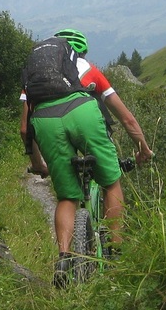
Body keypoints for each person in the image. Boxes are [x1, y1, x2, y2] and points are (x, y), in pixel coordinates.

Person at [19, 28, 153, 287]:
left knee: (68, 197)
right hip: (82, 112)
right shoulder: (88, 68)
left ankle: (63, 259)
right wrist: (143, 148)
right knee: (111, 181)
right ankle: (115, 251)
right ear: (76, 50)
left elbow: (25, 128)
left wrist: (37, 163)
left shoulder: (34, 79)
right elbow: (126, 118)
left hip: (45, 122)